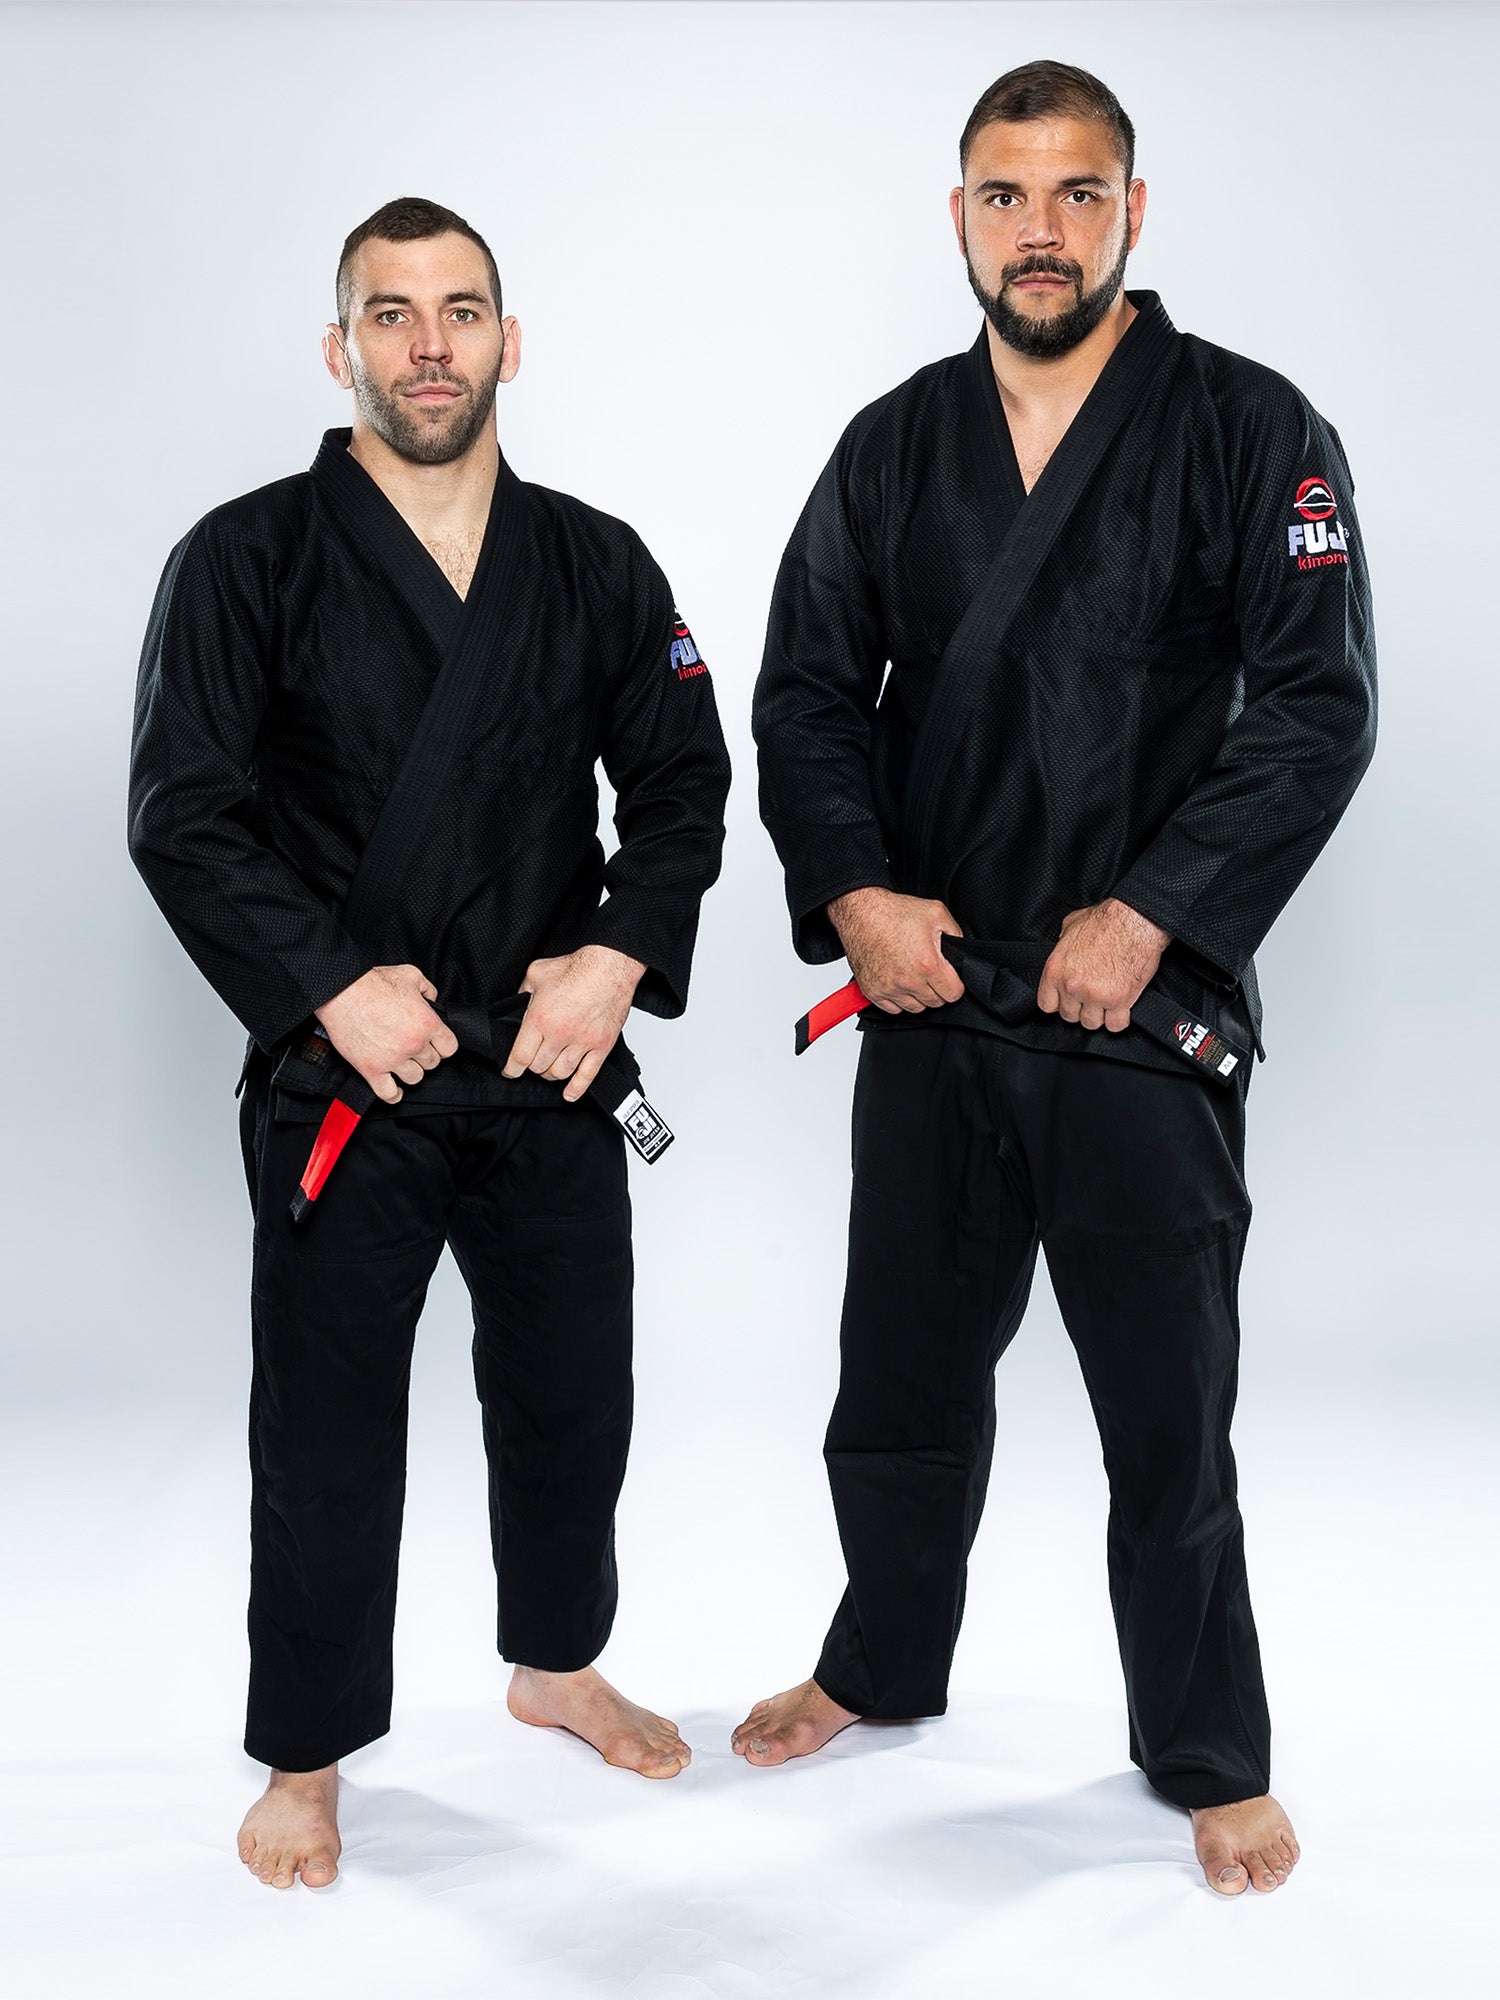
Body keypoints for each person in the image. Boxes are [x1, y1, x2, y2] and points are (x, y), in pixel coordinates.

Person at [741, 61, 1375, 1897]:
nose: (1041, 231)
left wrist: (1157, 911)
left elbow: (1319, 705)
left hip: (1130, 1010)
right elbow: (801, 698)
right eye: (1006, 198)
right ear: (960, 219)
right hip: (934, 989)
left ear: (1133, 214)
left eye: (1076, 195)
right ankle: (883, 1660)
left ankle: (1206, 1749)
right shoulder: (890, 444)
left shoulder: (1253, 430)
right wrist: (859, 894)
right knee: (900, 1375)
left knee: (1164, 1402)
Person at [128, 197, 731, 1890]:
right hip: (355, 1078)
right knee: (325, 1425)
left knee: (570, 1397)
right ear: (342, 351)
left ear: (509, 340)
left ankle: (554, 1665)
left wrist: (616, 956)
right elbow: (183, 815)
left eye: (460, 310)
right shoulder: (244, 557)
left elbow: (684, 783)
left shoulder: (599, 561)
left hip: (546, 1065)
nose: (430, 344)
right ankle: (308, 1757)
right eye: (390, 315)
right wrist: (330, 984)